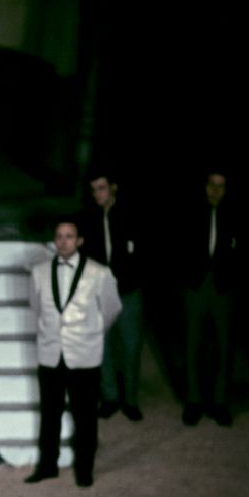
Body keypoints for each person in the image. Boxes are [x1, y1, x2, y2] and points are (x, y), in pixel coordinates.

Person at [25, 220, 122, 489]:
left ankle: (84, 468)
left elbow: (112, 309)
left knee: (85, 416)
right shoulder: (39, 272)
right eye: (59, 236)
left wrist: (91, 333)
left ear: (79, 240)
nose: (64, 241)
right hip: (51, 354)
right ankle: (47, 466)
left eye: (69, 236)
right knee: (50, 414)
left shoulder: (99, 273)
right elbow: (36, 306)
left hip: (84, 356)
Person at [80, 172, 145, 421]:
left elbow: (142, 253)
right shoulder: (87, 219)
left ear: (113, 189)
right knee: (102, 347)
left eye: (101, 188)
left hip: (128, 292)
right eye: (94, 190)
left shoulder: (130, 215)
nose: (98, 194)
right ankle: (110, 397)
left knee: (131, 347)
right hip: (99, 295)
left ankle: (130, 398)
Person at [180, 170, 239, 427]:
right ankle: (193, 401)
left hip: (223, 289)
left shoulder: (235, 215)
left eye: (221, 186)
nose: (215, 190)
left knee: (224, 347)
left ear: (226, 190)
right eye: (211, 185)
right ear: (205, 187)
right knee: (193, 344)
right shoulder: (192, 212)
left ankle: (220, 402)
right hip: (195, 286)